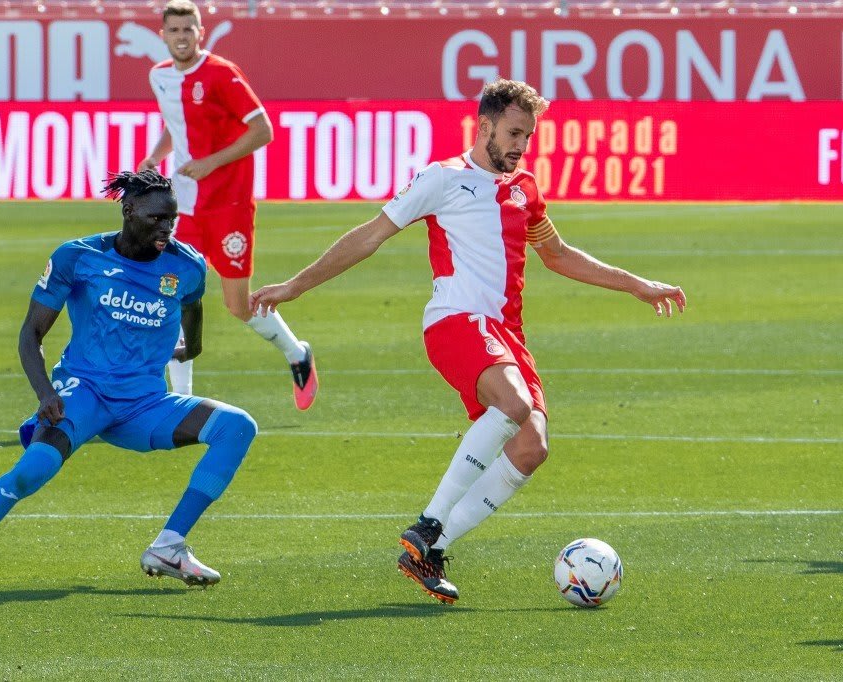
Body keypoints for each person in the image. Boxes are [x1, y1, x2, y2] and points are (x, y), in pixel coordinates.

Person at [249, 79, 686, 605]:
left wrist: (636, 284)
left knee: (531, 447)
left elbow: (560, 255)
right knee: (513, 404)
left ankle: (428, 551)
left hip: (506, 335)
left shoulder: (525, 188)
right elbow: (370, 235)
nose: (521, 145)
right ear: (484, 126)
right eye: (513, 133)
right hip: (457, 322)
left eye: (528, 135)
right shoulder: (442, 178)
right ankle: (428, 525)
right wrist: (295, 285)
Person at [0, 170, 257, 593]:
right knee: (30, 472)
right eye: (156, 219)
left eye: (171, 220)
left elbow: (193, 306)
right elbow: (31, 334)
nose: (166, 228)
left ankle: (169, 546)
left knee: (237, 426)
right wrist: (45, 392)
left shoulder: (187, 265)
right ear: (128, 210)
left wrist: (191, 347)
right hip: (82, 396)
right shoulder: (79, 257)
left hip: (144, 406)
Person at [137, 0, 317, 410]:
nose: (182, 37)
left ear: (201, 32)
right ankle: (178, 402)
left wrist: (210, 163)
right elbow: (176, 123)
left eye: (189, 30)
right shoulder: (160, 76)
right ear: (162, 35)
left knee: (238, 305)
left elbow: (263, 130)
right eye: (174, 30)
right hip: (183, 206)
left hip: (229, 205)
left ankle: (296, 353)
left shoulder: (221, 74)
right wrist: (154, 157)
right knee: (171, 291)